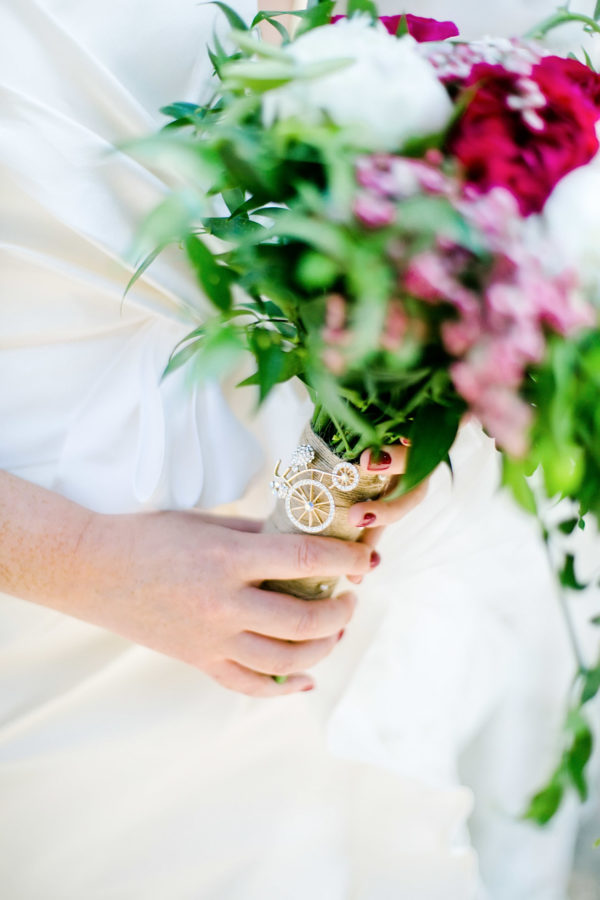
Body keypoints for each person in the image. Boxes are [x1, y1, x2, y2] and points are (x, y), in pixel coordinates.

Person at [0, 1, 598, 897]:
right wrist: (82, 563)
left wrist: (404, 398)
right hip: (52, 616)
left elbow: (304, 76)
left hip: (312, 557)